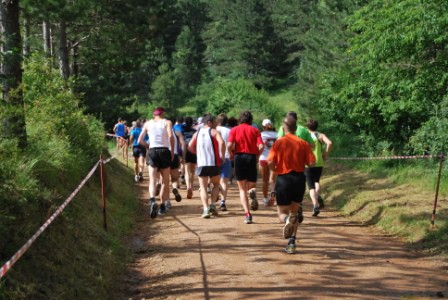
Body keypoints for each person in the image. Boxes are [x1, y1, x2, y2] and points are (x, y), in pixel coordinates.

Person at [267, 116, 315, 254]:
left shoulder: (279, 143)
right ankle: (292, 242)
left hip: (283, 179)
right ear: (296, 128)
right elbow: (311, 163)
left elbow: (270, 161)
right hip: (299, 179)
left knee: (282, 213)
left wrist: (274, 170)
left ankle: (287, 219)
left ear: (284, 128)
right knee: (295, 210)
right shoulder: (303, 143)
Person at [227, 111, 264, 224]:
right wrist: (257, 155)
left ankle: (247, 214)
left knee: (242, 188)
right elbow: (261, 145)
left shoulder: (234, 130)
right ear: (251, 120)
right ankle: (252, 191)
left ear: (240, 119)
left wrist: (230, 153)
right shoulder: (255, 130)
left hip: (239, 157)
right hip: (251, 157)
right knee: (251, 184)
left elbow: (229, 145)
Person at [138, 107, 174, 218]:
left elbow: (139, 140)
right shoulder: (167, 122)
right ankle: (162, 205)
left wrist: (148, 146)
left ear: (154, 115)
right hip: (164, 150)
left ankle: (153, 200)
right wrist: (172, 151)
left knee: (153, 179)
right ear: (162, 113)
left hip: (152, 150)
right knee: (165, 181)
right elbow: (171, 136)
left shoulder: (148, 124)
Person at [188, 113, 226, 218]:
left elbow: (190, 146)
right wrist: (222, 155)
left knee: (203, 187)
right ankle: (213, 205)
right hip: (213, 163)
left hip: (201, 164)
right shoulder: (214, 132)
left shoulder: (197, 133)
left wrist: (197, 153)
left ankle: (205, 209)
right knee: (216, 184)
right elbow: (222, 143)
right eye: (213, 122)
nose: (214, 124)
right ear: (209, 122)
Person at [305, 119, 333, 216]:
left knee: (310, 186)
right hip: (319, 162)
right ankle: (317, 197)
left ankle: (315, 204)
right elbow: (329, 143)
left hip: (308, 163)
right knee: (316, 181)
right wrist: (325, 153)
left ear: (307, 127)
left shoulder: (305, 135)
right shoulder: (320, 135)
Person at [259, 119, 277, 206]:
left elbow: (259, 146)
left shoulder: (261, 135)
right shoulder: (277, 135)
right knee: (273, 179)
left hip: (263, 158)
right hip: (273, 158)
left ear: (263, 126)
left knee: (264, 180)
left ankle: (265, 199)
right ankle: (273, 193)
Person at [216, 113, 231, 211]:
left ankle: (215, 196)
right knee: (224, 181)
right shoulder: (229, 131)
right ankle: (223, 202)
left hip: (215, 158)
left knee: (215, 180)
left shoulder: (214, 130)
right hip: (226, 157)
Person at [181, 117, 197, 199]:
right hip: (193, 151)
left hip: (186, 152)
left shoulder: (182, 131)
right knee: (192, 172)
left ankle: (188, 187)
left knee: (186, 171)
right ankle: (191, 186)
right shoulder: (195, 131)